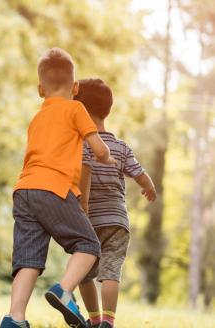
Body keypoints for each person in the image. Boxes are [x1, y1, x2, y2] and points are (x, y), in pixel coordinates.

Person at [0, 48, 115, 328]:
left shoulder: (37, 117)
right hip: (54, 187)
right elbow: (98, 149)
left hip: (24, 189)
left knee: (28, 261)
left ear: (41, 90)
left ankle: (14, 318)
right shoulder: (76, 108)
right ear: (75, 87)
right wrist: (108, 158)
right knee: (88, 245)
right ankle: (64, 290)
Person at [75, 78, 156, 328]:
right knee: (111, 271)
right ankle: (108, 321)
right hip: (118, 221)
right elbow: (139, 173)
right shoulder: (120, 147)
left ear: (82, 111)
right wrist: (149, 187)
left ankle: (94, 319)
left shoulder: (81, 145)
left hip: (89, 220)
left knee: (84, 274)